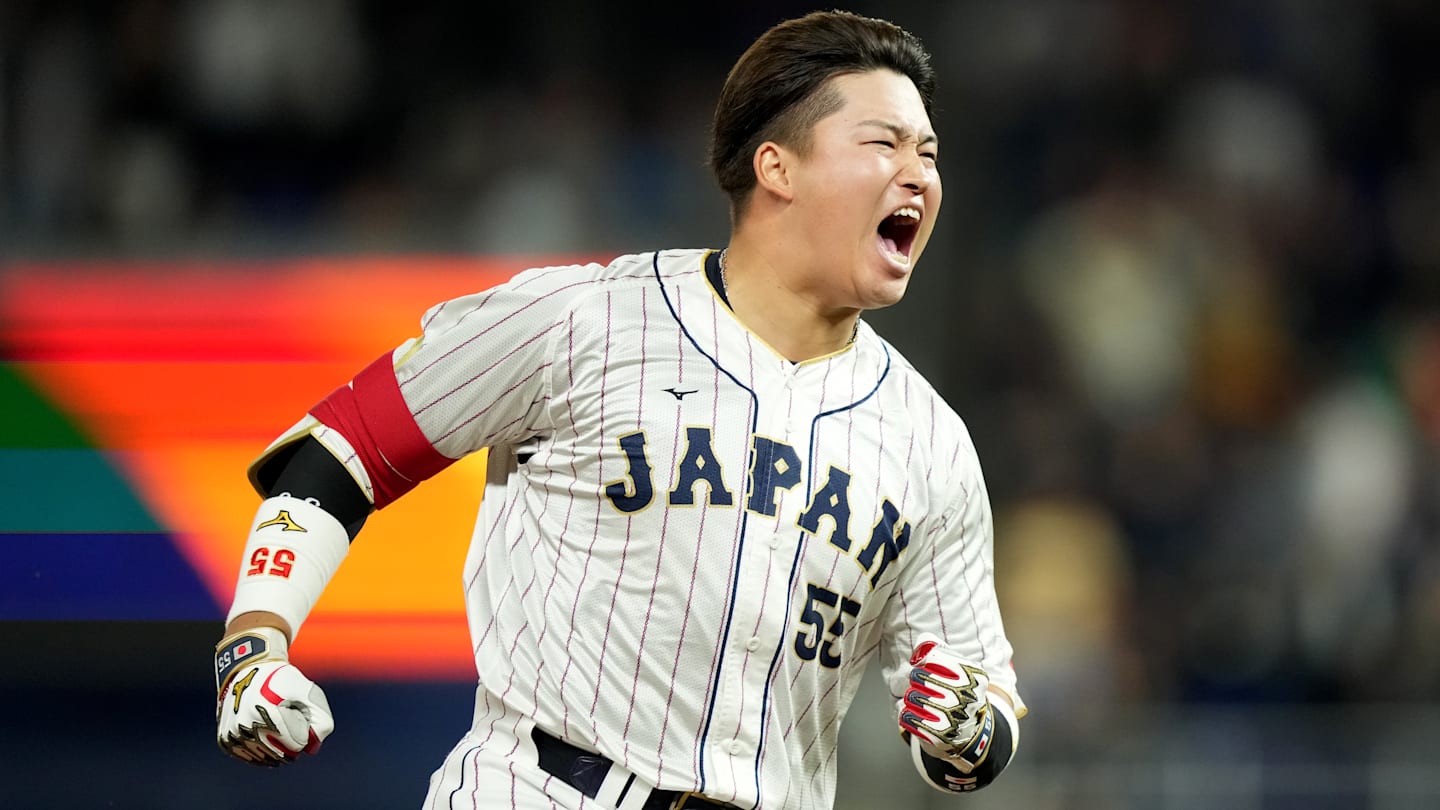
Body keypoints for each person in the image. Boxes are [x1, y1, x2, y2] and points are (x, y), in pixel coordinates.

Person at [213, 9, 1027, 809]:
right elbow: (349, 446)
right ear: (777, 167)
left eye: (928, 151)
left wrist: (968, 731)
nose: (918, 172)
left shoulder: (932, 442)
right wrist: (254, 643)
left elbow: (979, 713)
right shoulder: (584, 318)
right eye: (882, 143)